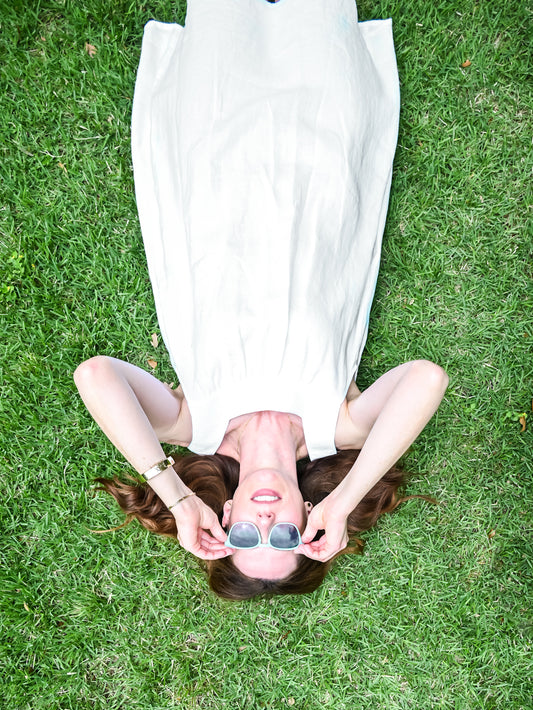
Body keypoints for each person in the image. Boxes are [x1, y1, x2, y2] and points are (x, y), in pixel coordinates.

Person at [75, 0, 448, 600]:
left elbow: (95, 377)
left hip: (214, 161)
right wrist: (346, 500)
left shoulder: (192, 424)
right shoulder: (339, 426)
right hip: (319, 166)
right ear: (309, 518)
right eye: (286, 540)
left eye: (247, 538)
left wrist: (176, 496)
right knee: (319, 28)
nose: (268, 526)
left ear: (224, 522)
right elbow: (426, 380)